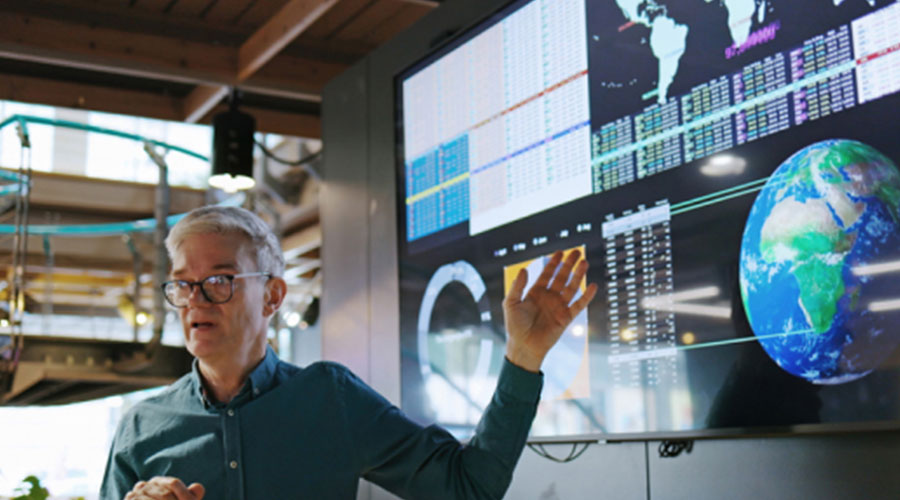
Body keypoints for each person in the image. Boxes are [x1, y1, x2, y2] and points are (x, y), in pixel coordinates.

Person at [100, 206, 597, 500]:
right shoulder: (141, 428)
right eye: (184, 285)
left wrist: (523, 359)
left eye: (218, 281)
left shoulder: (329, 399)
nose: (197, 301)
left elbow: (468, 488)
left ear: (273, 295)